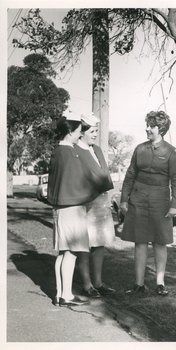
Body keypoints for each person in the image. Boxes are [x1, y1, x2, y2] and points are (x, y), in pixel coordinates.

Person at [119, 111, 176, 296]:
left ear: (160, 128)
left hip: (160, 202)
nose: (147, 128)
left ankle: (160, 283)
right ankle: (138, 284)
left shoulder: (171, 152)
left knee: (159, 242)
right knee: (140, 242)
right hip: (138, 200)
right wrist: (124, 199)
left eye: (150, 126)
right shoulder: (139, 149)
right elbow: (130, 175)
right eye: (147, 125)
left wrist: (174, 204)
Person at [47, 112, 98, 307]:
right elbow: (79, 183)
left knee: (63, 252)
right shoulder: (69, 152)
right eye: (78, 131)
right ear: (70, 132)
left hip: (61, 207)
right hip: (72, 207)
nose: (80, 135)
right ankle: (66, 295)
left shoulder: (58, 151)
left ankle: (61, 294)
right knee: (72, 252)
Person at [74, 112, 117, 298]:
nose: (95, 134)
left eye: (97, 130)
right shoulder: (75, 150)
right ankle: (86, 284)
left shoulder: (98, 149)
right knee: (85, 245)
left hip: (101, 202)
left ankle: (98, 283)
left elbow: (103, 174)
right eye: (92, 131)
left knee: (99, 243)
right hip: (85, 204)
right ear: (81, 132)